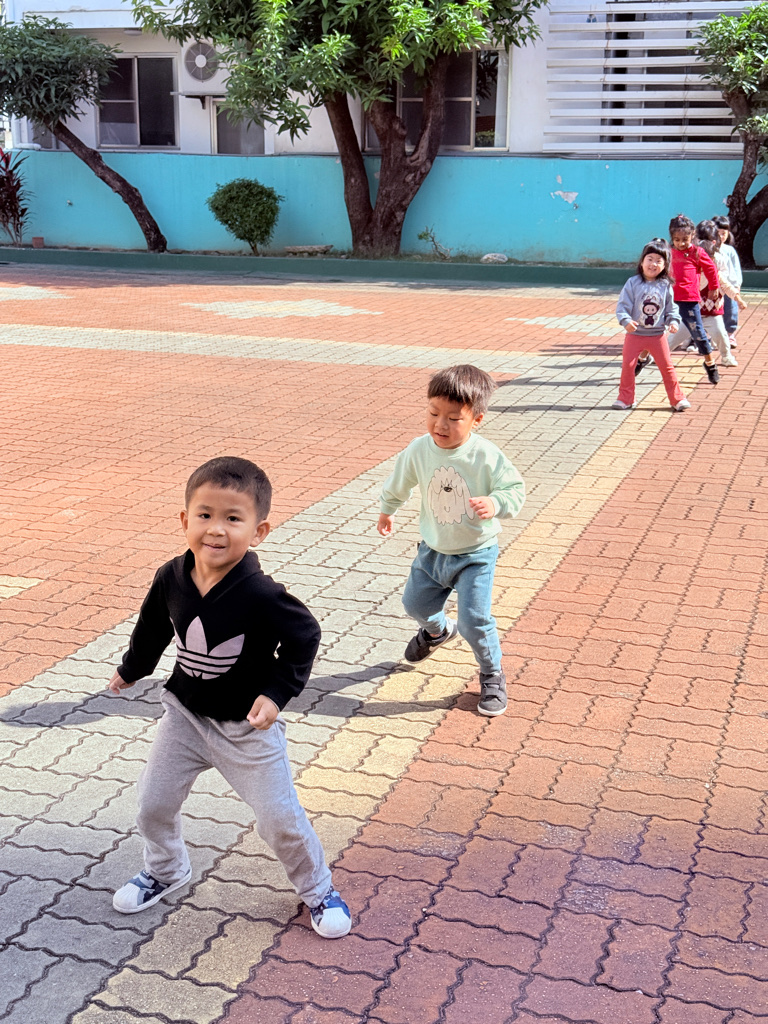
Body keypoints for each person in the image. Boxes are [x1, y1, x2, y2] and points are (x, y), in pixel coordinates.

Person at [107, 456, 351, 939]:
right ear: (185, 519)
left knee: (279, 819)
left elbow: (304, 636)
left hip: (246, 729)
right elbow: (153, 627)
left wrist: (276, 694)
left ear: (258, 531)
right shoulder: (171, 576)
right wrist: (132, 669)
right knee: (153, 804)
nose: (216, 529)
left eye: (232, 519)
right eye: (205, 515)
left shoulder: (260, 593)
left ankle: (319, 890)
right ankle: (166, 869)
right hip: (184, 717)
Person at [377, 365, 525, 717]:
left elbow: (514, 490)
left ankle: (492, 673)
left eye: (453, 418)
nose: (440, 425)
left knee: (474, 621)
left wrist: (495, 503)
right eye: (433, 413)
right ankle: (437, 632)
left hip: (476, 555)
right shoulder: (419, 449)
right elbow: (400, 481)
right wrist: (388, 509)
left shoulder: (486, 455)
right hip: (432, 551)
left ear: (476, 419)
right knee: (414, 605)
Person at [612, 239, 689, 412]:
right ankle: (625, 398)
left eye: (658, 261)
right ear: (642, 261)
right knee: (628, 367)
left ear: (665, 265)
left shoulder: (665, 285)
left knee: (667, 368)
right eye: (650, 259)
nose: (653, 264)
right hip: (635, 335)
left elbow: (671, 308)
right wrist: (626, 321)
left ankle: (677, 399)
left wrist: (673, 321)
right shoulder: (632, 283)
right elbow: (622, 306)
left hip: (657, 336)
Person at [668, 213, 720, 385]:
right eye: (677, 240)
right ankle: (643, 358)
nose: (681, 243)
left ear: (692, 236)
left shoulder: (697, 252)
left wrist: (713, 287)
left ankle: (710, 364)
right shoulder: (668, 252)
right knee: (654, 328)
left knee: (698, 332)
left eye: (685, 239)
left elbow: (711, 269)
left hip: (688, 300)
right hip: (668, 299)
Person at [695, 220, 745, 368]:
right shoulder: (693, 272)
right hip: (694, 313)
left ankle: (726, 357)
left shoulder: (718, 268)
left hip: (713, 313)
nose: (706, 262)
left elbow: (727, 285)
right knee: (674, 337)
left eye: (709, 259)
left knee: (721, 335)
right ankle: (657, 355)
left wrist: (738, 299)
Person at [712, 214, 744, 346]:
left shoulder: (729, 250)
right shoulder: (707, 249)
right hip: (714, 285)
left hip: (728, 285)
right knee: (712, 310)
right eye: (717, 233)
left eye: (723, 233)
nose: (720, 236)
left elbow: (736, 269)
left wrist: (736, 285)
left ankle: (730, 333)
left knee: (730, 309)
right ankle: (712, 335)